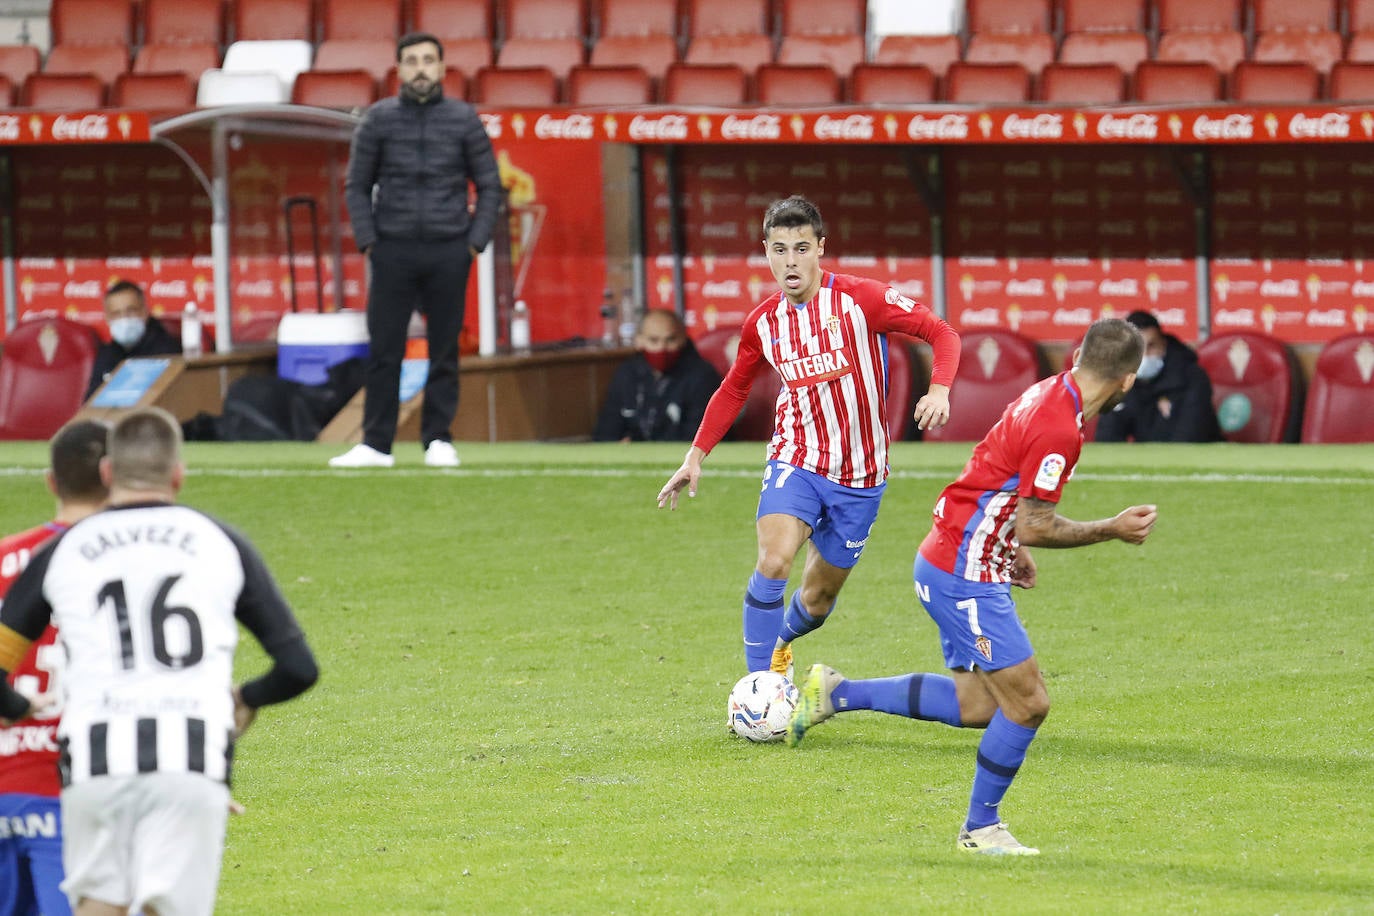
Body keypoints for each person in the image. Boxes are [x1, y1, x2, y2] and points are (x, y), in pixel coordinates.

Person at [787, 318, 1158, 856]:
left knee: (980, 704)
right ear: (1128, 381)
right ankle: (980, 829)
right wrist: (1112, 528)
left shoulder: (1049, 391)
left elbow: (994, 475)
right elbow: (1035, 519)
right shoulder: (1061, 425)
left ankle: (838, 692)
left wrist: (1013, 546)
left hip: (957, 557)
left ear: (1078, 353)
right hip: (964, 574)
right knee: (1028, 703)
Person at [0, 407, 320, 915]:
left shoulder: (64, 549)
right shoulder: (220, 542)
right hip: (189, 757)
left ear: (109, 474)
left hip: (93, 759)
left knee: (99, 906)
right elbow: (299, 668)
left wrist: (17, 704)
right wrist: (243, 698)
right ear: (178, 473)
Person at [657, 195, 961, 678]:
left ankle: (780, 642)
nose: (790, 261)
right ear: (766, 252)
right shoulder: (764, 323)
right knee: (774, 560)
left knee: (817, 600)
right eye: (779, 250)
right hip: (796, 458)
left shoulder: (863, 300)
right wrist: (696, 455)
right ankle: (759, 686)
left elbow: (942, 333)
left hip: (861, 475)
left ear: (821, 248)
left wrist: (940, 389)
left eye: (801, 248)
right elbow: (734, 387)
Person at [330, 31, 503, 469]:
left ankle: (438, 439)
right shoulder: (378, 119)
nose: (421, 68)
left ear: (442, 68)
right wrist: (369, 242)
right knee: (385, 351)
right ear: (400, 69)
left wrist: (473, 243)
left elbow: (489, 186)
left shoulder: (464, 119)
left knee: (444, 349)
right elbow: (356, 185)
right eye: (412, 60)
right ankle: (376, 444)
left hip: (450, 249)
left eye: (429, 59)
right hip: (392, 249)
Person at [0, 419, 109, 916]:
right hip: (78, 791)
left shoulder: (4, 557)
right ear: (116, 478)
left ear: (51, 481)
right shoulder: (128, 569)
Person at [594, 310, 722, 442]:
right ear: (639, 341)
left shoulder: (703, 376)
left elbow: (699, 437)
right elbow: (606, 431)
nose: (662, 348)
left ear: (683, 338)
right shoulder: (627, 374)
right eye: (654, 340)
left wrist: (640, 450)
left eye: (670, 340)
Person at [1095, 310, 1221, 443]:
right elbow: (1107, 438)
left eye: (1152, 346)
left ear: (1164, 343)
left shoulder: (1193, 377)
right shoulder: (1120, 380)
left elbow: (1189, 437)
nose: (1144, 355)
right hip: (1146, 460)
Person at [85, 280, 180, 400]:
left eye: (131, 311)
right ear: (108, 319)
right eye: (116, 314)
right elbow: (90, 401)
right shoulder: (106, 354)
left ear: (145, 312)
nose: (124, 319)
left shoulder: (166, 350)